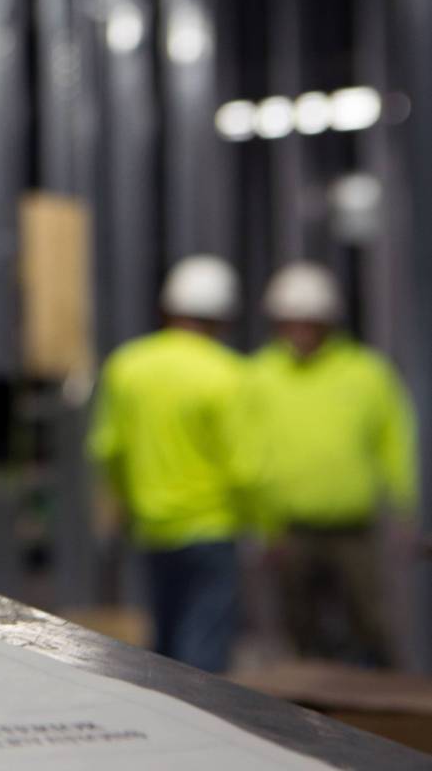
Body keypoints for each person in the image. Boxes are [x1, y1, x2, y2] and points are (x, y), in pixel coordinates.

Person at [244, 261, 418, 667]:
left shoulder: (366, 373)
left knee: (370, 624)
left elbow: (393, 441)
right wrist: (262, 523)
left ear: (328, 322)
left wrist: (403, 506)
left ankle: (386, 712)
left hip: (353, 528)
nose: (301, 331)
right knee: (299, 630)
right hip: (289, 529)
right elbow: (249, 453)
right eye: (292, 322)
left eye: (311, 322)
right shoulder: (259, 375)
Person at [88, 255, 253, 673]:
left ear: (167, 309)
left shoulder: (128, 365)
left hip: (151, 527)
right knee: (204, 650)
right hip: (212, 527)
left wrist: (122, 505)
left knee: (164, 642)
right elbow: (247, 466)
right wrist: (262, 523)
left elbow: (109, 450)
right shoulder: (230, 374)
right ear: (224, 317)